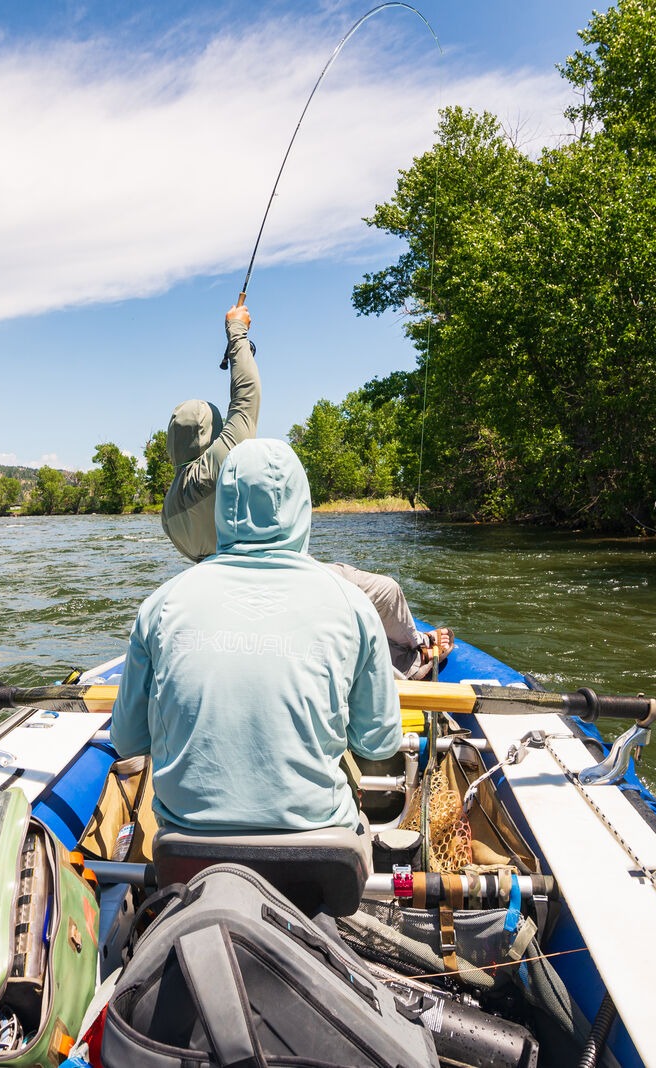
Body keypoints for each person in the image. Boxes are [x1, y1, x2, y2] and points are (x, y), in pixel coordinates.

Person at [113, 438, 402, 833]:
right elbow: (379, 743)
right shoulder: (352, 605)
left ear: (221, 507)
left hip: (186, 849)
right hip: (318, 852)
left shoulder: (162, 603)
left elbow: (128, 741)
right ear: (303, 507)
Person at [160, 302, 452, 679]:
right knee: (385, 590)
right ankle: (416, 655)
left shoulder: (169, 507)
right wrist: (237, 332)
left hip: (222, 589)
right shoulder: (216, 463)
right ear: (209, 435)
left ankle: (403, 651)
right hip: (276, 574)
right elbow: (246, 396)